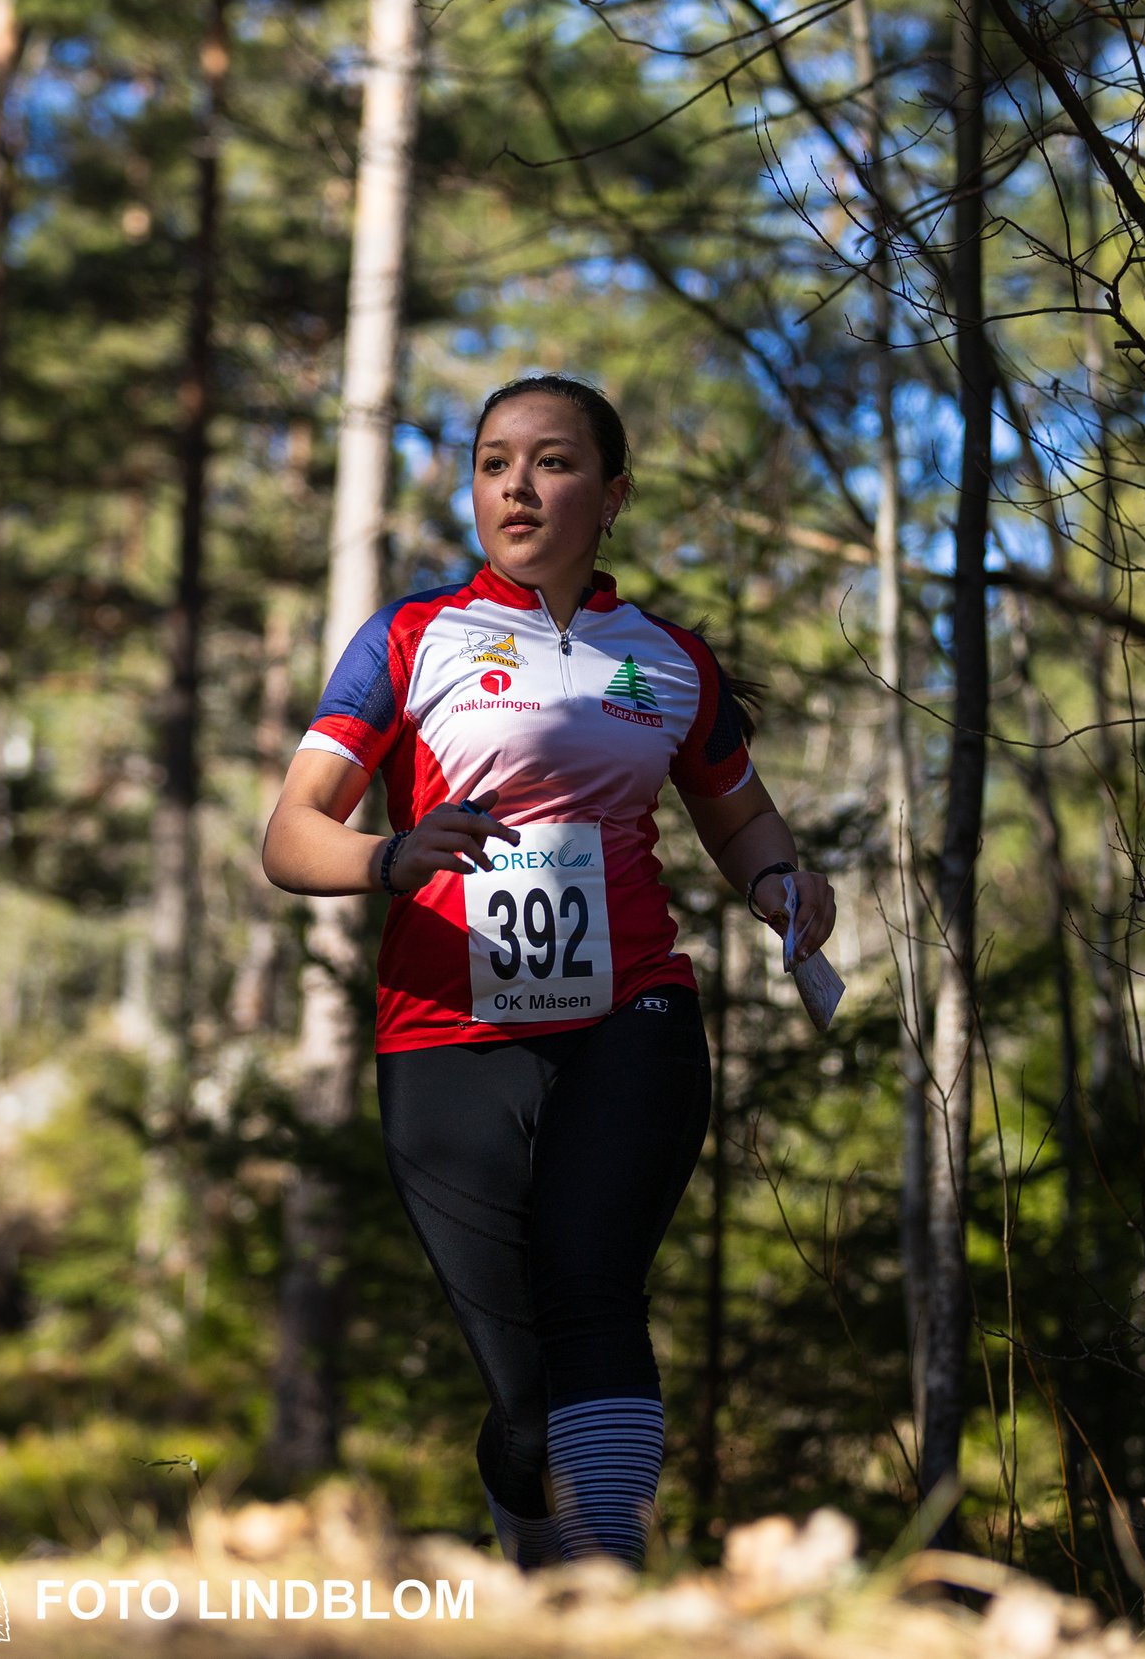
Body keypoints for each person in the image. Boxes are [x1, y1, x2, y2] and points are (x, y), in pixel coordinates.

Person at [259, 375, 835, 1569]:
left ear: (612, 492)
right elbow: (288, 832)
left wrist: (785, 884)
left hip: (634, 1010)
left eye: (554, 461)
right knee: (524, 1395)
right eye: (492, 461)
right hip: (445, 1029)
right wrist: (389, 852)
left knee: (595, 1292)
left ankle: (606, 1585)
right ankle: (541, 1560)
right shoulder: (410, 639)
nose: (517, 486)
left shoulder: (670, 660)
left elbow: (741, 824)